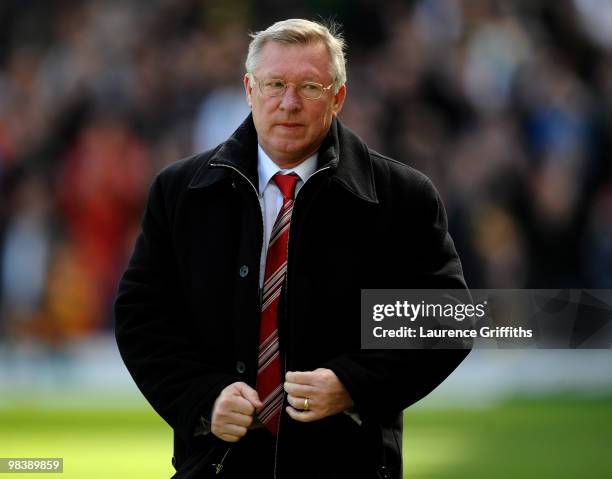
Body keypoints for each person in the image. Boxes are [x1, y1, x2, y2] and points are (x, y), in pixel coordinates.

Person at [115, 18, 469, 479]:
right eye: (275, 84)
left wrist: (351, 384)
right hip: (216, 463)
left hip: (349, 464)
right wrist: (203, 399)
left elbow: (445, 319)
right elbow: (142, 317)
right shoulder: (180, 192)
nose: (289, 102)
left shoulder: (402, 198)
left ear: (338, 97)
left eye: (309, 87)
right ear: (249, 89)